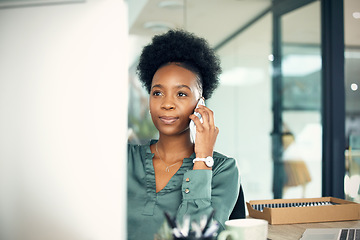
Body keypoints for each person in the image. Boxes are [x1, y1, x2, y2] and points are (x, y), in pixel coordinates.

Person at [127, 29, 240, 240]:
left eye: (181, 94)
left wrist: (203, 159)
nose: (167, 104)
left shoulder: (222, 170)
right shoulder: (125, 158)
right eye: (157, 92)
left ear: (200, 103)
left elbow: (197, 237)